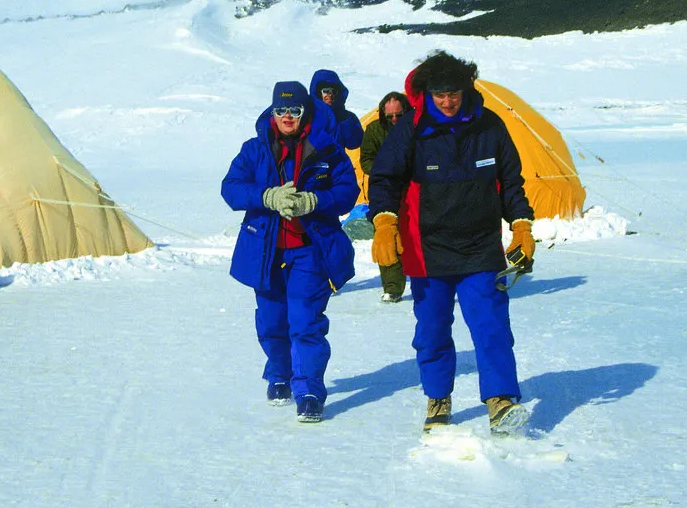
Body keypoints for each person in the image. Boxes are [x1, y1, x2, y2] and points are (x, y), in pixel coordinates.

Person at [367, 51, 536, 435]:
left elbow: (511, 181)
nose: (448, 101)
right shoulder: (410, 129)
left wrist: (522, 225)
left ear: (466, 89)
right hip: (428, 250)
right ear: (427, 93)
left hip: (480, 247)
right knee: (432, 332)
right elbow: (384, 180)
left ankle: (500, 400)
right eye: (440, 94)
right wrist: (384, 221)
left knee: (491, 326)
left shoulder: (489, 126)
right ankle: (438, 397)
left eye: (454, 93)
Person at [221, 81, 358, 423]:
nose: (286, 117)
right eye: (280, 110)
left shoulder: (327, 149)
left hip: (309, 251)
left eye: (294, 110)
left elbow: (347, 190)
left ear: (304, 112)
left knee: (305, 322)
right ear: (272, 112)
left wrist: (315, 201)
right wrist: (266, 196)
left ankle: (309, 389)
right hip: (265, 250)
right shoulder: (254, 150)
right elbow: (231, 188)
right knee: (271, 321)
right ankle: (279, 373)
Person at [360, 91, 412, 304]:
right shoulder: (374, 130)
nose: (394, 120)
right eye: (390, 116)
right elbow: (366, 160)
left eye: (398, 115)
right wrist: (386, 170)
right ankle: (392, 287)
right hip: (384, 190)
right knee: (387, 238)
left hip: (412, 189)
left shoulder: (415, 128)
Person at [310, 69, 364, 151]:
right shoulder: (307, 115)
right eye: (326, 91)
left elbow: (354, 143)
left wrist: (345, 121)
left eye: (333, 92)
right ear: (318, 92)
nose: (330, 95)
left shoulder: (346, 117)